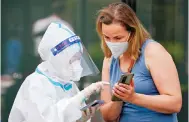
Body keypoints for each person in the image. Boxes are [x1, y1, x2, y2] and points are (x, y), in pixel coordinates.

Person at [96, 2, 182, 122]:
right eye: (106, 37)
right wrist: (119, 98)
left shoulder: (153, 52)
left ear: (133, 33)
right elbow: (107, 116)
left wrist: (134, 97)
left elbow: (175, 104)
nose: (112, 43)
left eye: (118, 38)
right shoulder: (109, 60)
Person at [9, 22, 109, 122]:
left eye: (79, 58)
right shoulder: (35, 83)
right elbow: (47, 118)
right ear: (57, 59)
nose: (78, 65)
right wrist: (82, 95)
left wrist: (83, 117)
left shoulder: (68, 84)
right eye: (73, 59)